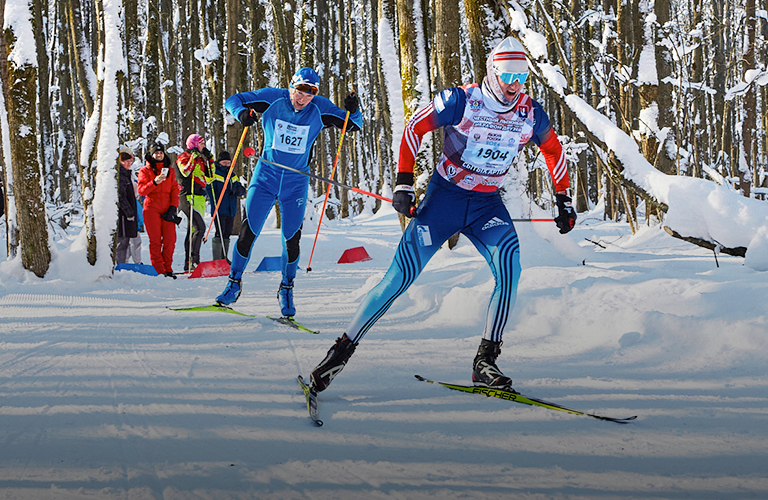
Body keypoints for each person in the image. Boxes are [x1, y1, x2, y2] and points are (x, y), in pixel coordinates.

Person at [308, 37, 577, 394]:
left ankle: (486, 361)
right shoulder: (461, 100)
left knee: (510, 266)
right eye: (509, 75)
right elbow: (413, 129)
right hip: (444, 200)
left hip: (486, 206)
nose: (515, 85)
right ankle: (339, 353)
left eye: (522, 77)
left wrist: (564, 198)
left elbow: (554, 150)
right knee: (399, 278)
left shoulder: (529, 112)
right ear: (493, 72)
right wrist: (404, 183)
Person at [215, 67, 363, 317]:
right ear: (291, 86)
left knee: (291, 239)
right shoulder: (273, 97)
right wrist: (242, 113)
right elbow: (233, 100)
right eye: (299, 90)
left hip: (295, 183)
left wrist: (353, 108)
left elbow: (354, 125)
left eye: (310, 92)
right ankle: (233, 283)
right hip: (265, 177)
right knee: (248, 232)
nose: (303, 97)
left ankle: (286, 288)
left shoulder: (321, 108)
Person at [138, 142, 181, 277]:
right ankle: (159, 269)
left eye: (161, 153)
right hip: (151, 209)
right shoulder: (144, 171)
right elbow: (142, 191)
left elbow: (175, 190)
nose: (159, 155)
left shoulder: (171, 170)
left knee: (170, 240)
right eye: (156, 153)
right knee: (155, 241)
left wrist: (173, 207)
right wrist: (155, 182)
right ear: (151, 155)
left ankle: (168, 268)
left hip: (168, 208)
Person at [176, 134, 214, 272]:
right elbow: (185, 171)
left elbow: (210, 177)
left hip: (199, 196)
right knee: (200, 227)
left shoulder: (200, 159)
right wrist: (193, 156)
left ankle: (189, 262)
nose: (203, 145)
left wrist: (210, 159)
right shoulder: (184, 156)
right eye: (201, 143)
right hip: (187, 196)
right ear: (194, 144)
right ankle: (194, 260)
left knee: (194, 230)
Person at [207, 150, 247, 262]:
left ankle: (224, 257)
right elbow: (210, 189)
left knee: (227, 233)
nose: (226, 165)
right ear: (219, 162)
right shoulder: (215, 174)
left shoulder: (232, 175)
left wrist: (239, 190)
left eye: (228, 163)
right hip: (219, 208)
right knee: (219, 232)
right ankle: (217, 259)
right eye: (224, 163)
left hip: (231, 209)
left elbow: (240, 189)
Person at [116, 146, 139, 264]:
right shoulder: (120, 175)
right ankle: (119, 266)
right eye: (127, 162)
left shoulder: (127, 174)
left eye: (131, 161)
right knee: (122, 242)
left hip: (128, 215)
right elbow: (121, 196)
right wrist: (128, 211)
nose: (129, 164)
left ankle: (123, 265)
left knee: (127, 241)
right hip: (123, 216)